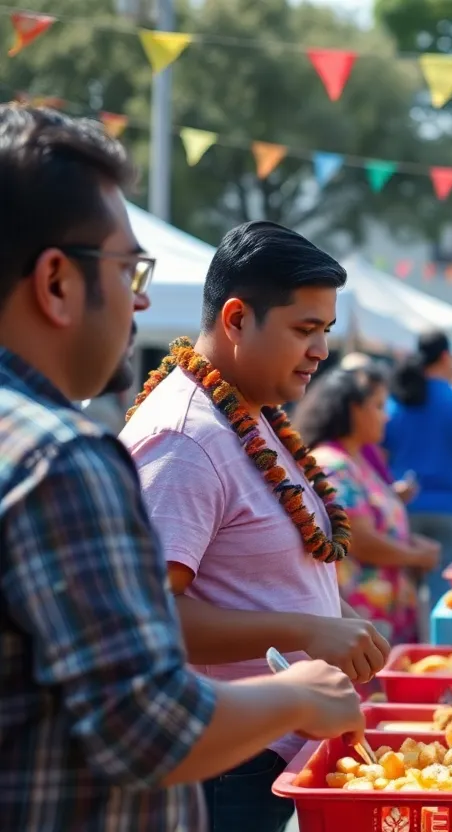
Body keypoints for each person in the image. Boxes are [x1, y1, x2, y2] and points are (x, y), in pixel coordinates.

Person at [0, 105, 361, 831]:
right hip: (230, 773)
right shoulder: (71, 455)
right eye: (130, 268)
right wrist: (295, 690)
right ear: (56, 281)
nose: (139, 299)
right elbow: (146, 725)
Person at [121, 221, 386, 832]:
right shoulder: (185, 436)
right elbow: (148, 617)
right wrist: (307, 630)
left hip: (273, 756)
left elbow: (253, 573)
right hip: (230, 768)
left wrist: (334, 618)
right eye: (305, 329)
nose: (321, 350)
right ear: (237, 319)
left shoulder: (248, 410)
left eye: (325, 331)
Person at [296, 367, 442, 645]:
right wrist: (415, 556)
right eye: (377, 406)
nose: (385, 416)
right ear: (353, 409)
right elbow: (359, 540)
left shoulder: (356, 460)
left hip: (382, 612)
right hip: (362, 616)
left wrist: (411, 543)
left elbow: (375, 526)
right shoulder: (333, 464)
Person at [383, 330, 452, 616]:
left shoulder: (397, 401)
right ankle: (436, 649)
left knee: (404, 592)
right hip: (450, 510)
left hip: (403, 509)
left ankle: (405, 649)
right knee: (443, 595)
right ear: (445, 356)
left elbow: (379, 455)